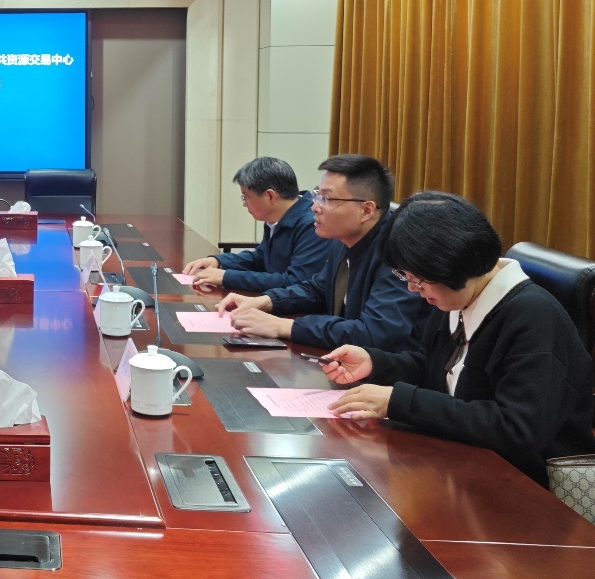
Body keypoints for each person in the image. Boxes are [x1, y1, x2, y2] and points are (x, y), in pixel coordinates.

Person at [324, 192, 595, 486]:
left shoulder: (534, 318)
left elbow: (517, 430)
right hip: (463, 461)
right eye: (406, 276)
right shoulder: (457, 297)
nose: (413, 289)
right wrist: (376, 363)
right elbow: (436, 368)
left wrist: (400, 401)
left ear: (452, 265)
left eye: (418, 279)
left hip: (528, 487)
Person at [217, 154, 434, 351]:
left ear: (366, 210)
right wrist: (267, 301)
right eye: (317, 196)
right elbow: (318, 289)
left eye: (327, 199)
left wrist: (283, 326)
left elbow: (374, 332)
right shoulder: (342, 240)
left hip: (390, 372)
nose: (315, 207)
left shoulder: (398, 254)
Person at [183, 156, 329, 293]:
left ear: (270, 196)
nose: (244, 204)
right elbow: (261, 258)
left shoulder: (312, 225)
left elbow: (295, 281)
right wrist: (219, 261)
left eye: (246, 197)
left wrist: (227, 277)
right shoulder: (276, 218)